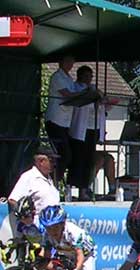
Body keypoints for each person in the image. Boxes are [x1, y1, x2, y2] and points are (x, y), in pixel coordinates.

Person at [45, 55, 87, 183]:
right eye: (68, 61)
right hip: (55, 119)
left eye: (72, 62)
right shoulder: (57, 77)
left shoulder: (69, 78)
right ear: (61, 62)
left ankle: (55, 181)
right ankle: (52, 181)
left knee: (67, 155)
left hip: (66, 121)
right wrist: (85, 93)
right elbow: (68, 95)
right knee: (64, 154)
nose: (70, 65)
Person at [67, 65, 96, 200]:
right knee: (77, 159)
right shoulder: (75, 88)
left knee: (88, 160)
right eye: (87, 76)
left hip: (91, 128)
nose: (89, 79)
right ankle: (70, 189)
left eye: (91, 76)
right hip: (78, 129)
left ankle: (84, 190)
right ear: (80, 76)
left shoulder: (92, 89)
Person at [8, 146, 61, 215]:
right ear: (41, 161)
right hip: (37, 220)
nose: (54, 164)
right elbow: (12, 200)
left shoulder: (49, 179)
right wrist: (26, 216)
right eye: (51, 161)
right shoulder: (29, 177)